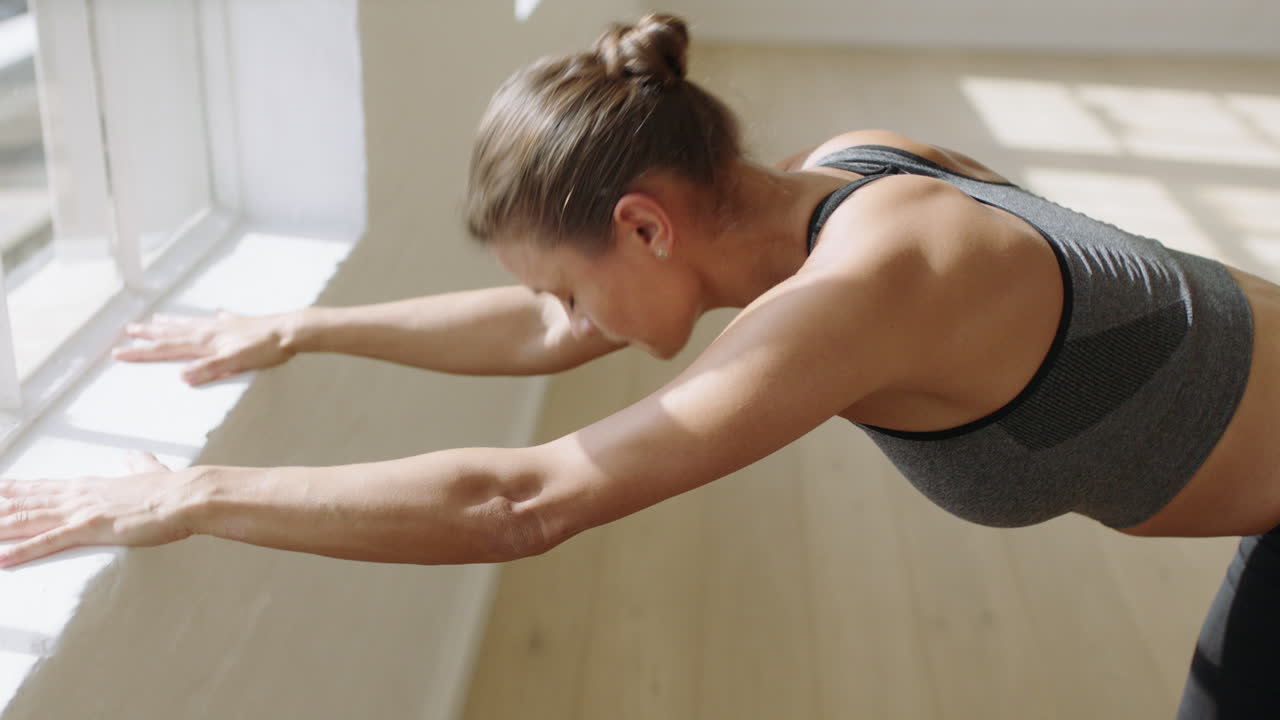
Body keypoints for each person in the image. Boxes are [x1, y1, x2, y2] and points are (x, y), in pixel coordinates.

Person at [0, 12, 1276, 716]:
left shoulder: (859, 295)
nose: (563, 319)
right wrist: (303, 326)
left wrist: (191, 497)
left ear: (645, 224)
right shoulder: (850, 170)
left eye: (564, 279)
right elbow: (556, 329)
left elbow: (519, 503)